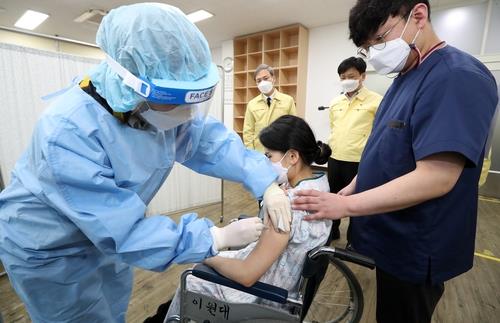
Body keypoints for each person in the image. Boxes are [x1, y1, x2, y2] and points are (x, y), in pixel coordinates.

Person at [0, 4, 293, 323]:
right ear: (132, 84)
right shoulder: (67, 132)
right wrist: (213, 238)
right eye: (174, 99)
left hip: (106, 239)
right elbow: (123, 232)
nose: (185, 112)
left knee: (112, 309)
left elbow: (208, 143)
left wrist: (264, 178)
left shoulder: (154, 113)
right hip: (51, 250)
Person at [293, 1, 498, 323]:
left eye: (379, 39)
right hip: (389, 233)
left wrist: (346, 207)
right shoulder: (405, 78)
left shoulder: (455, 76)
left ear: (417, 16)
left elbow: (437, 177)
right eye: (366, 48)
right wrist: (355, 186)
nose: (374, 53)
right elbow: (388, 146)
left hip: (416, 240)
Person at [164, 115, 332, 320]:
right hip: (282, 279)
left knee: (191, 276)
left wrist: (205, 252)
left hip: (262, 296)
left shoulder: (286, 206)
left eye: (268, 156)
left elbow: (247, 274)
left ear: (292, 157)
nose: (263, 162)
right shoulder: (320, 186)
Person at [327, 57, 382, 244]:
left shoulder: (377, 101)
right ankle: (332, 230)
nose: (346, 80)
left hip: (359, 162)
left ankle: (354, 240)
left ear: (363, 76)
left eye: (351, 76)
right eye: (342, 77)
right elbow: (334, 128)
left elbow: (379, 134)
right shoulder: (335, 102)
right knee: (333, 197)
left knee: (357, 203)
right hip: (335, 159)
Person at [243, 64, 296, 153]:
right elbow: (248, 132)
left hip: (282, 151)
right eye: (258, 81)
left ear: (273, 78)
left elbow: (294, 128)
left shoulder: (288, 100)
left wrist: (291, 150)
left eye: (266, 78)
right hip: (260, 152)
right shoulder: (252, 104)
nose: (262, 82)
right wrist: (251, 153)